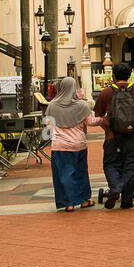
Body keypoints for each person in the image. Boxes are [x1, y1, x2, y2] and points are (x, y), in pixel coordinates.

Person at [92, 62, 134, 210]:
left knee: (111, 164)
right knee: (133, 166)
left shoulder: (105, 93)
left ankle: (115, 187)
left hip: (112, 137)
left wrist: (108, 128)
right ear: (130, 75)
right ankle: (126, 200)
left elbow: (98, 115)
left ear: (113, 76)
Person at [45, 76, 94, 211]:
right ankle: (84, 200)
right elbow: (90, 122)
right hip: (79, 144)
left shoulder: (52, 105)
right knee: (80, 172)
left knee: (63, 174)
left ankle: (69, 203)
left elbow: (48, 127)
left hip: (59, 146)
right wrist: (104, 120)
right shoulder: (82, 105)